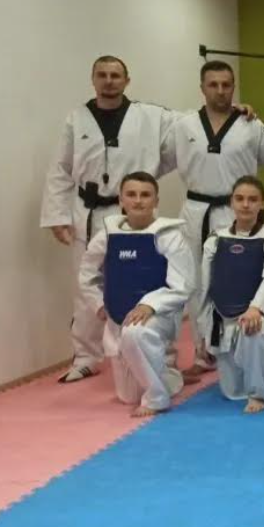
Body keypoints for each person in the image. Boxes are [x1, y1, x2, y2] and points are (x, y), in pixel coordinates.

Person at [42, 56, 179, 383]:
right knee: (86, 283)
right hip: (89, 211)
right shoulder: (77, 119)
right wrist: (57, 215)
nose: (109, 81)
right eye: (102, 75)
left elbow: (192, 130)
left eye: (115, 75)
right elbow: (61, 168)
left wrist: (235, 110)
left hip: (132, 210)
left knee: (147, 280)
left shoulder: (150, 116)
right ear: (93, 79)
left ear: (127, 80)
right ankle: (86, 356)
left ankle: (162, 354)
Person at [166, 60, 264, 377]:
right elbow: (159, 160)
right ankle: (204, 350)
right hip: (196, 211)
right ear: (202, 88)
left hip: (238, 211)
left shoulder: (251, 125)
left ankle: (261, 351)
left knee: (247, 280)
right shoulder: (184, 125)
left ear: (233, 87)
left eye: (226, 84)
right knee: (196, 283)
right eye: (213, 84)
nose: (220, 90)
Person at [77, 172, 194, 416]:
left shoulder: (168, 235)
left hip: (158, 316)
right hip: (118, 315)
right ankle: (168, 375)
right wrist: (100, 304)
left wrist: (149, 305)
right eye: (131, 194)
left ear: (156, 201)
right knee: (127, 396)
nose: (138, 200)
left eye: (145, 195)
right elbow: (87, 273)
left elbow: (183, 284)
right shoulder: (107, 235)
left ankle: (156, 398)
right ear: (121, 199)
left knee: (135, 331)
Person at [197, 176, 264, 413]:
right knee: (233, 392)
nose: (246, 204)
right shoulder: (216, 238)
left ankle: (260, 394)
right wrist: (202, 333)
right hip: (223, 315)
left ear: (263, 203)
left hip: (257, 312)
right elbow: (206, 287)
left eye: (253, 199)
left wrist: (256, 308)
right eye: (240, 199)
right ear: (231, 202)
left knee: (254, 332)